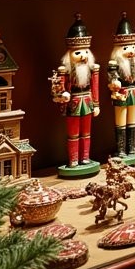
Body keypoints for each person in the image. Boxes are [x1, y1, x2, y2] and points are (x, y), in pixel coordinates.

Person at [52, 13, 100, 170]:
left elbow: (95, 87)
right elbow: (58, 89)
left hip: (87, 102)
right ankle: (73, 159)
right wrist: (62, 94)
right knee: (73, 133)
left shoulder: (92, 69)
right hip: (73, 104)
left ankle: (85, 157)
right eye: (78, 53)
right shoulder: (64, 70)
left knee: (86, 132)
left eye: (85, 52)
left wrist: (96, 104)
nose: (83, 56)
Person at [107, 13, 135, 159]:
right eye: (126, 48)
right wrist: (114, 82)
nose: (131, 51)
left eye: (133, 47)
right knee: (121, 122)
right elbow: (112, 77)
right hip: (121, 94)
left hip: (133, 94)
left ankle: (132, 149)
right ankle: (121, 150)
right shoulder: (114, 64)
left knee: (132, 122)